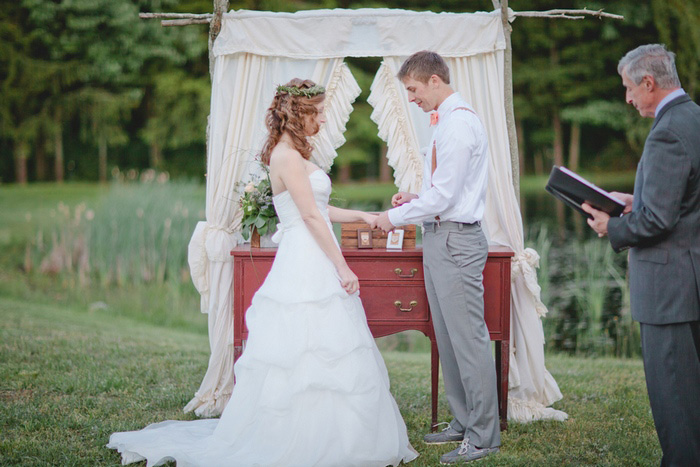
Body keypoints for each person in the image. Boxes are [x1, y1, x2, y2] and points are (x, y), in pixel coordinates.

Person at [107, 79, 418, 466]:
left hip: (312, 251)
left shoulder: (293, 154)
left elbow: (318, 209)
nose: (322, 118)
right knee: (306, 346)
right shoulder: (285, 156)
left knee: (325, 345)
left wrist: (362, 216)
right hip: (306, 259)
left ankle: (329, 432)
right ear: (297, 115)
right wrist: (342, 267)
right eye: (317, 112)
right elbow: (306, 216)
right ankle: (301, 436)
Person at [372, 51, 500, 464]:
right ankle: (463, 421)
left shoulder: (458, 124)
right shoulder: (445, 122)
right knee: (448, 337)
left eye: (412, 89)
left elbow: (446, 197)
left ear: (433, 81)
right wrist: (416, 199)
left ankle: (483, 437)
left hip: (456, 242)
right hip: (441, 237)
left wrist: (391, 217)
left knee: (469, 341)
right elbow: (444, 192)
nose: (411, 98)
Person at [582, 44, 700, 465]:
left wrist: (610, 225)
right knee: (691, 393)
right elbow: (687, 203)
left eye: (629, 89)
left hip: (669, 290)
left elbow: (657, 223)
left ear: (648, 84)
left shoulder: (668, 130)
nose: (627, 98)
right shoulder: (695, 119)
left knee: (675, 400)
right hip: (690, 281)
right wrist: (637, 199)